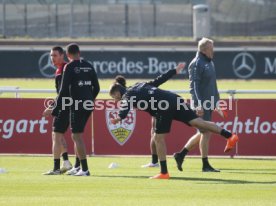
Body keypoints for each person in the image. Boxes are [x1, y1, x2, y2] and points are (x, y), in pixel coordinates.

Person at [109, 63, 238, 179]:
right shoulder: (139, 85)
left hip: (163, 108)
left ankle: (164, 172)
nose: (115, 100)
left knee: (158, 138)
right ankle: (230, 136)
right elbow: (159, 80)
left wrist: (119, 117)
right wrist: (174, 71)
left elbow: (125, 108)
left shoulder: (127, 95)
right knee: (199, 123)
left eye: (114, 97)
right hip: (174, 99)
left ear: (117, 93)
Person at [44, 43, 100, 176]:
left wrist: (55, 109)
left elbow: (63, 91)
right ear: (79, 52)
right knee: (77, 136)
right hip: (88, 105)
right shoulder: (89, 65)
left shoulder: (69, 67)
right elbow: (96, 87)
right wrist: (89, 100)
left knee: (76, 136)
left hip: (75, 105)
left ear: (67, 55)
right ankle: (77, 167)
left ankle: (84, 169)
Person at [173, 37, 228, 173]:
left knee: (204, 132)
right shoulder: (197, 63)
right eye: (211, 48)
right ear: (204, 50)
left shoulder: (209, 62)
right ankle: (204, 165)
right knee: (206, 132)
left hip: (208, 104)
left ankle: (181, 155)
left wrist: (217, 103)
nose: (213, 51)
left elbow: (213, 86)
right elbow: (194, 87)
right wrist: (198, 104)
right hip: (201, 105)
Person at [42, 46, 73, 175]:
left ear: (62, 56)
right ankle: (65, 162)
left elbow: (62, 93)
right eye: (50, 55)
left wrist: (53, 108)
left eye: (54, 55)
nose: (52, 58)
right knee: (57, 135)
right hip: (67, 106)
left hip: (64, 106)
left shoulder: (62, 71)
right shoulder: (62, 69)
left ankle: (56, 169)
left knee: (56, 136)